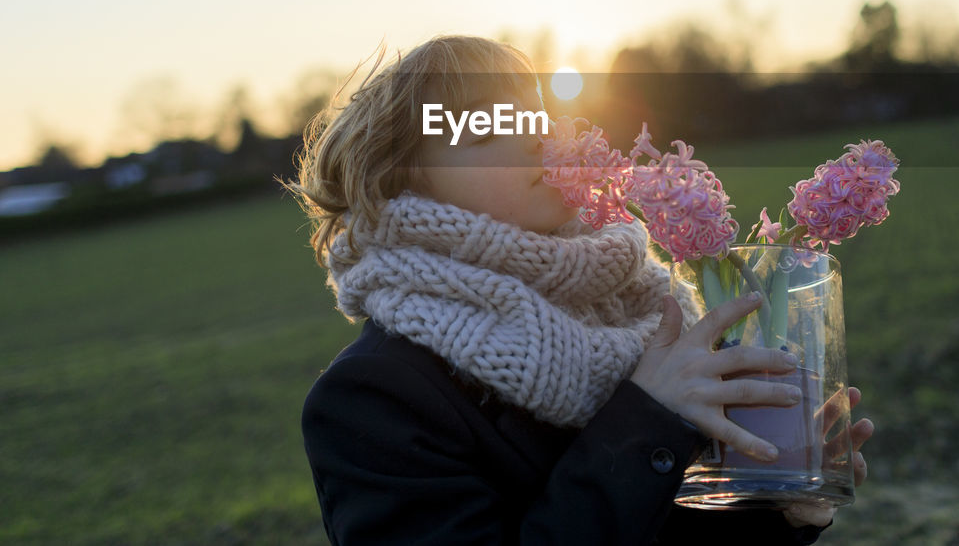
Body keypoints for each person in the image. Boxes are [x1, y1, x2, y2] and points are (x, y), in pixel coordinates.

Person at [290, 35, 874, 545]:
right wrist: (648, 420)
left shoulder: (645, 311)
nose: (536, 139)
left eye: (535, 115)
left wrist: (781, 513)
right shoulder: (372, 398)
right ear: (398, 181)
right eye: (483, 128)